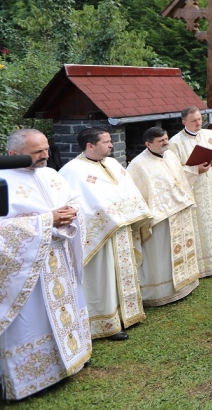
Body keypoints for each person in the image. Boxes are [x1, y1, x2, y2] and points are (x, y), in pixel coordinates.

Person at [0, 129, 92, 400]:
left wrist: (72, 213)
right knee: (31, 321)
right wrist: (46, 221)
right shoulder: (0, 182)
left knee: (66, 309)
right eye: (37, 152)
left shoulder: (51, 175)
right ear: (13, 154)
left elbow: (74, 202)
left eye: (46, 148)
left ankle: (72, 357)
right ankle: (31, 379)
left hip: (61, 258)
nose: (46, 155)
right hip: (26, 270)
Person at [59, 127, 152, 341]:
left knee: (122, 273)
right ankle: (106, 323)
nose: (111, 145)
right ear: (90, 145)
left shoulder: (112, 163)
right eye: (106, 142)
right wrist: (110, 217)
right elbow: (78, 207)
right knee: (103, 277)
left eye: (110, 141)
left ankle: (127, 314)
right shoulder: (72, 172)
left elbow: (128, 190)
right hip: (99, 237)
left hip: (122, 229)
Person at [127, 127, 201, 307]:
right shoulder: (138, 165)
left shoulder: (170, 155)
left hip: (179, 211)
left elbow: (179, 179)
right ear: (148, 144)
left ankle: (186, 283)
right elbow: (135, 194)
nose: (166, 142)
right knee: (161, 253)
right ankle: (162, 291)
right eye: (161, 141)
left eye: (166, 138)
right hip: (159, 218)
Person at [168, 106, 212, 277]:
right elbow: (173, 172)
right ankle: (203, 265)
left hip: (210, 188)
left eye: (200, 119)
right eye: (194, 120)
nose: (198, 123)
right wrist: (195, 170)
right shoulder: (175, 143)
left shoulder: (208, 134)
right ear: (184, 122)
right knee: (200, 227)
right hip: (193, 192)